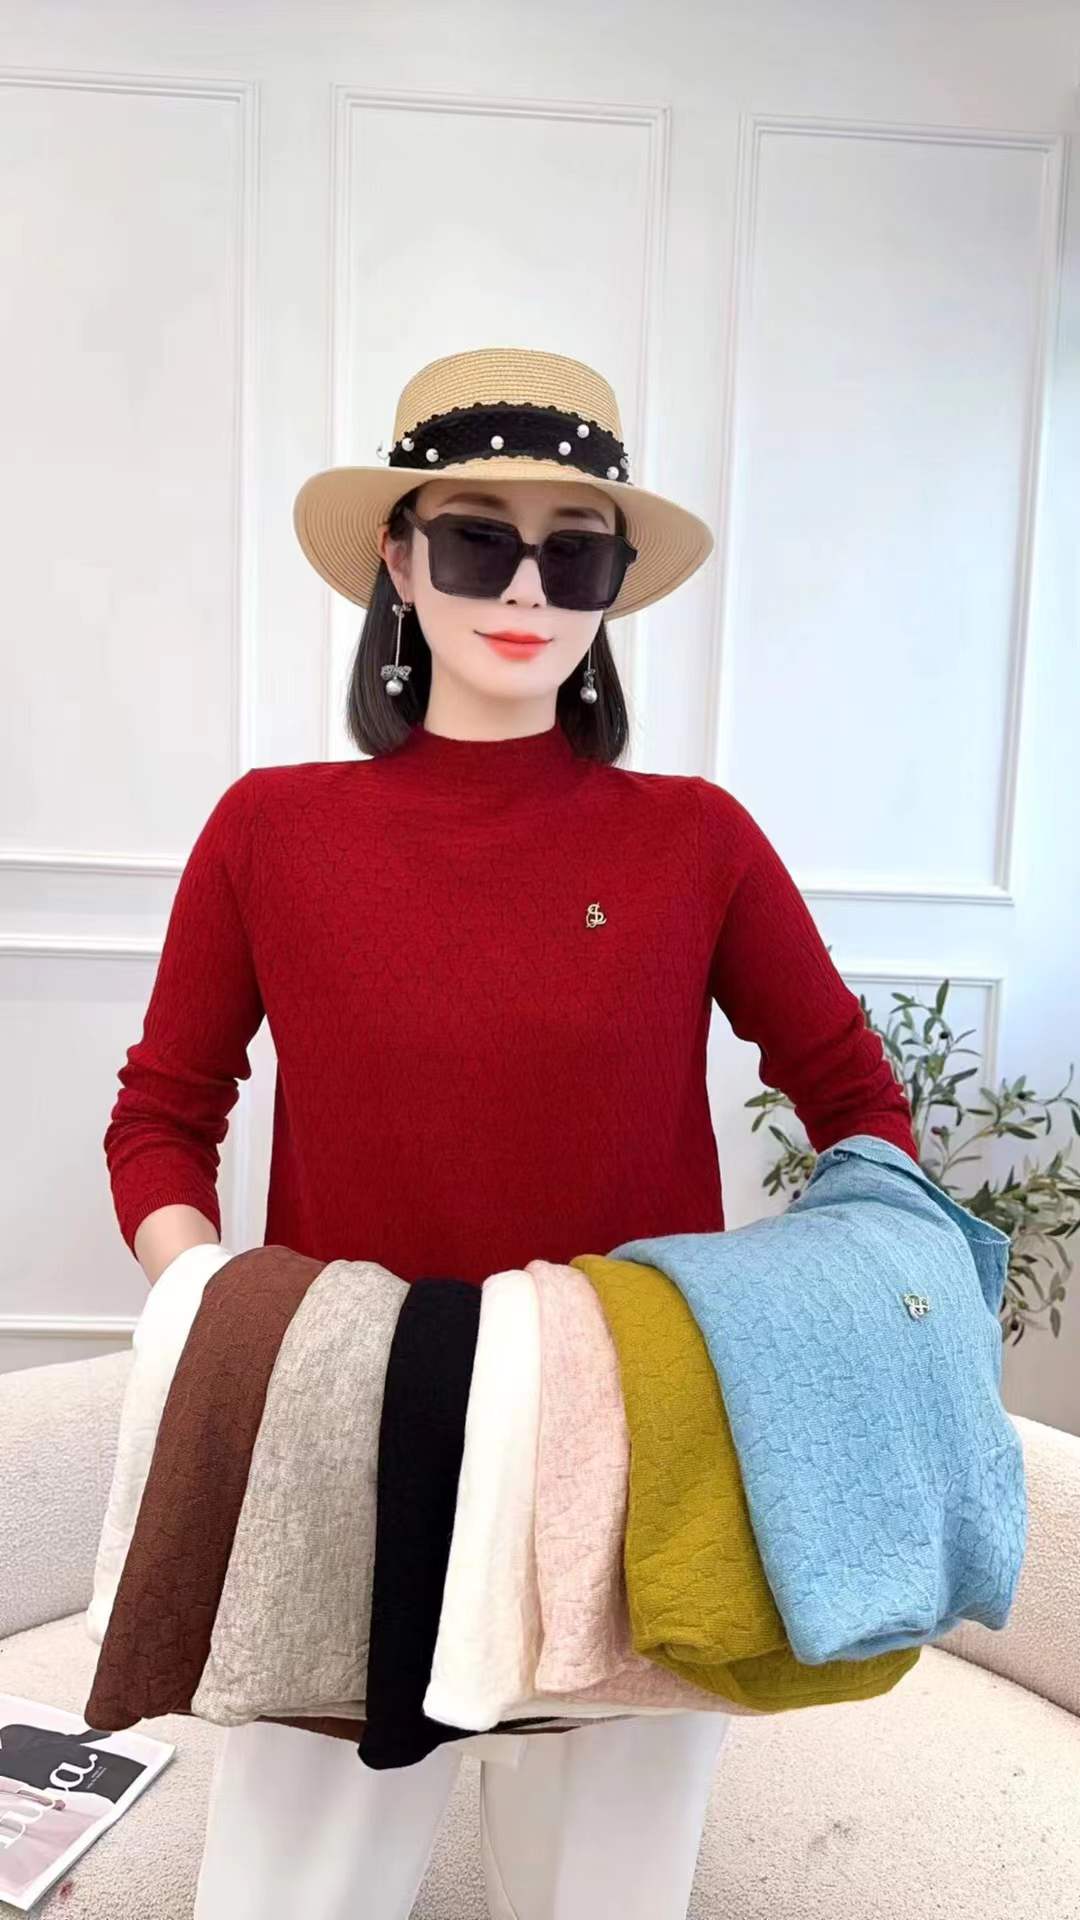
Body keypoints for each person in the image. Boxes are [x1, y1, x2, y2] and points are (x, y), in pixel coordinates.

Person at [103, 346, 918, 1920]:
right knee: (293, 1893)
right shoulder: (273, 828)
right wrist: (212, 1300)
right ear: (400, 562)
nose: (527, 588)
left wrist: (800, 1310)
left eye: (575, 550)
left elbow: (856, 1102)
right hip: (348, 1437)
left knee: (601, 1896)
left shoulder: (696, 840)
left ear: (612, 588)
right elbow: (165, 1112)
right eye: (478, 540)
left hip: (631, 1445)